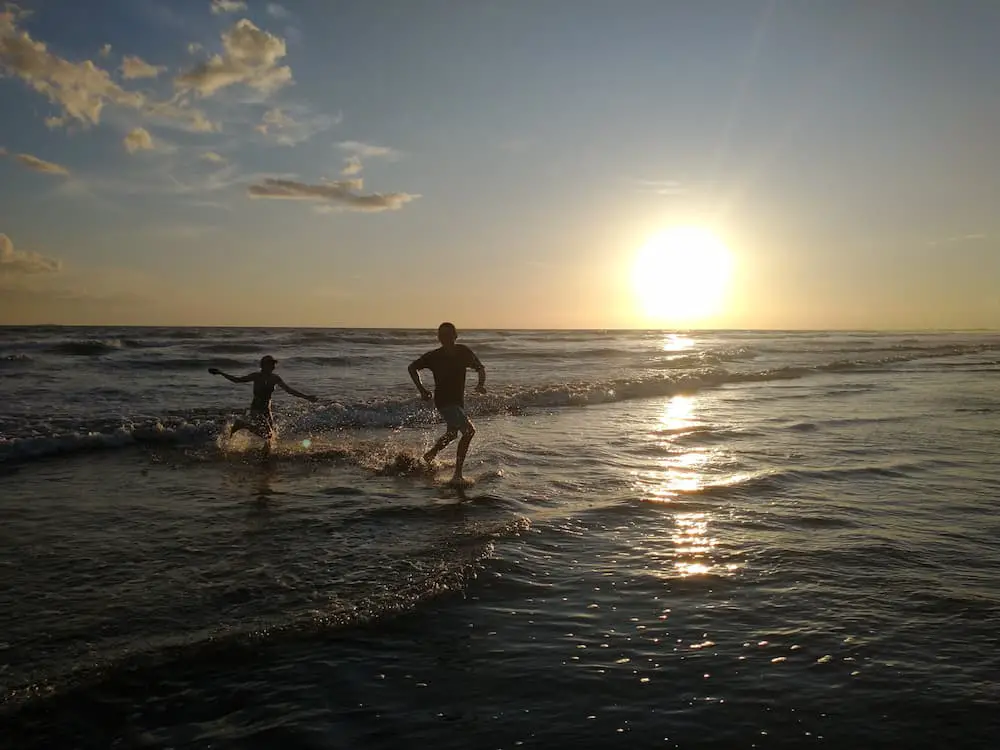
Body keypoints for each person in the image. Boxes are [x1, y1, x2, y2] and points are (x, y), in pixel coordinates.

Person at [408, 322, 487, 484]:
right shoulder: (434, 356)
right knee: (469, 432)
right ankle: (457, 475)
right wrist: (422, 390)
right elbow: (412, 368)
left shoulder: (463, 352)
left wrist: (480, 384)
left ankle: (428, 456)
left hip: (458, 401)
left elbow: (480, 367)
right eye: (441, 335)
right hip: (444, 400)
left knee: (452, 434)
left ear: (455, 336)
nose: (444, 338)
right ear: (438, 338)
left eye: (448, 335)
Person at [209, 355, 317, 452]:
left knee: (272, 436)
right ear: (263, 365)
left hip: (267, 410)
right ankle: (242, 425)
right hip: (256, 408)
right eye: (270, 364)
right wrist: (221, 373)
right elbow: (237, 380)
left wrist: (307, 397)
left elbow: (289, 390)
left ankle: (266, 455)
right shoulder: (256, 376)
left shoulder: (275, 378)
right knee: (268, 434)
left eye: (273, 364)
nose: (272, 366)